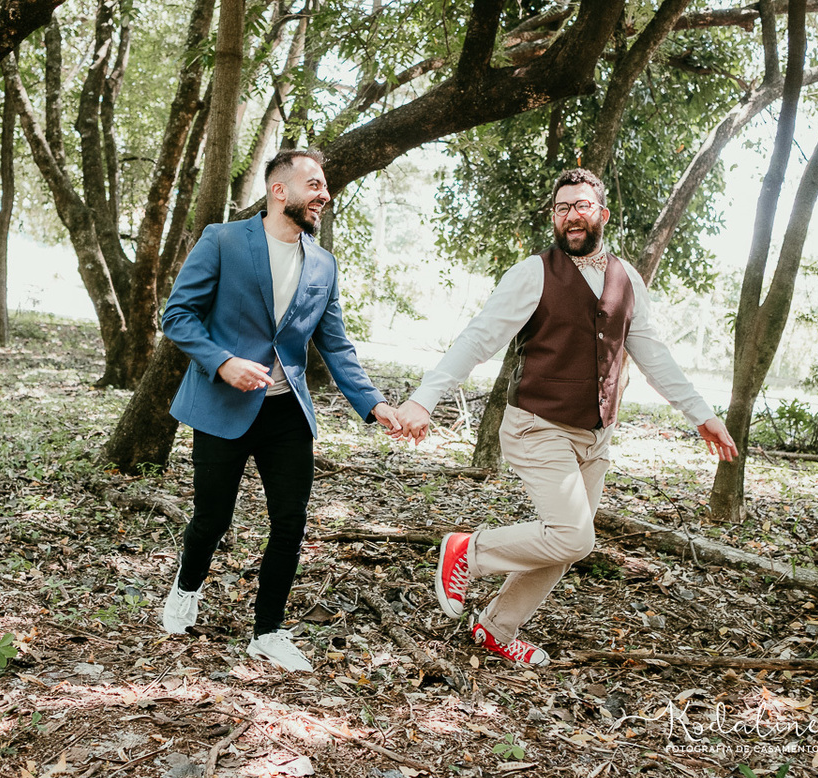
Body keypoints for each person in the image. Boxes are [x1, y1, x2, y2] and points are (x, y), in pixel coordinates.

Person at [395, 168, 737, 666]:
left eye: (581, 206)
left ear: (601, 212)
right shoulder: (533, 273)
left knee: (565, 545)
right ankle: (468, 553)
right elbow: (477, 339)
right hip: (538, 425)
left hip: (595, 436)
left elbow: (652, 355)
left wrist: (701, 415)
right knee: (573, 534)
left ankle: (496, 628)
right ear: (554, 218)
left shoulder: (627, 278)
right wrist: (424, 399)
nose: (571, 216)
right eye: (561, 209)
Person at [160, 149, 401, 672]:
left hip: (286, 411)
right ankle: (185, 587)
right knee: (211, 519)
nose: (324, 194)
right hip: (224, 405)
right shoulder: (223, 240)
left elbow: (334, 346)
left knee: (290, 523)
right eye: (313, 184)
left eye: (325, 185)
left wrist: (374, 403)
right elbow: (177, 315)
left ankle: (267, 631)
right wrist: (223, 363)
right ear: (279, 190)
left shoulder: (323, 263)